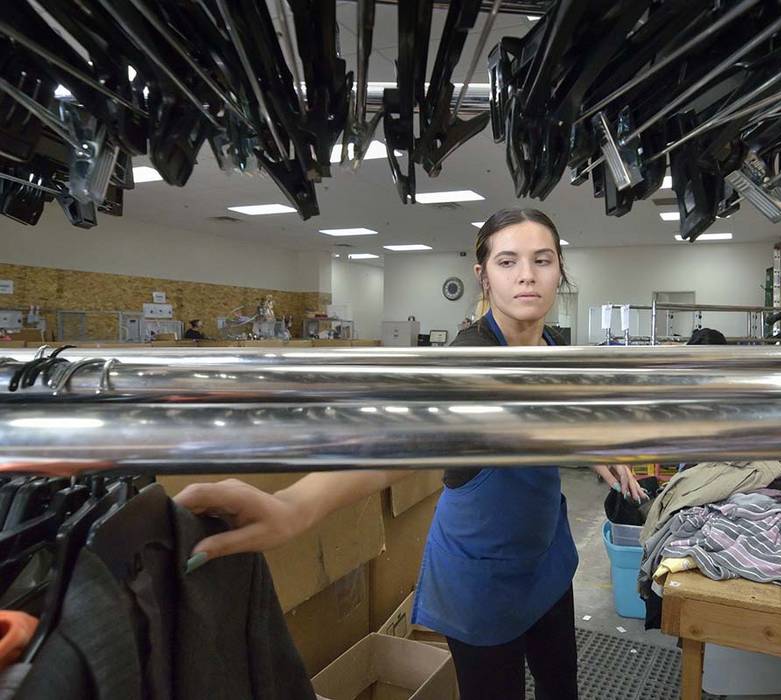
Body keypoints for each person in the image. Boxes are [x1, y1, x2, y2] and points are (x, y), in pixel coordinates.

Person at [173, 208, 645, 700]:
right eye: (508, 262)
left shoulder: (551, 347)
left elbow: (558, 407)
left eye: (541, 260)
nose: (526, 275)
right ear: (483, 275)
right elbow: (403, 436)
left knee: (560, 687)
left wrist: (595, 443)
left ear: (559, 270)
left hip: (546, 556)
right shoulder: (467, 364)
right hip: (480, 573)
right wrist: (298, 504)